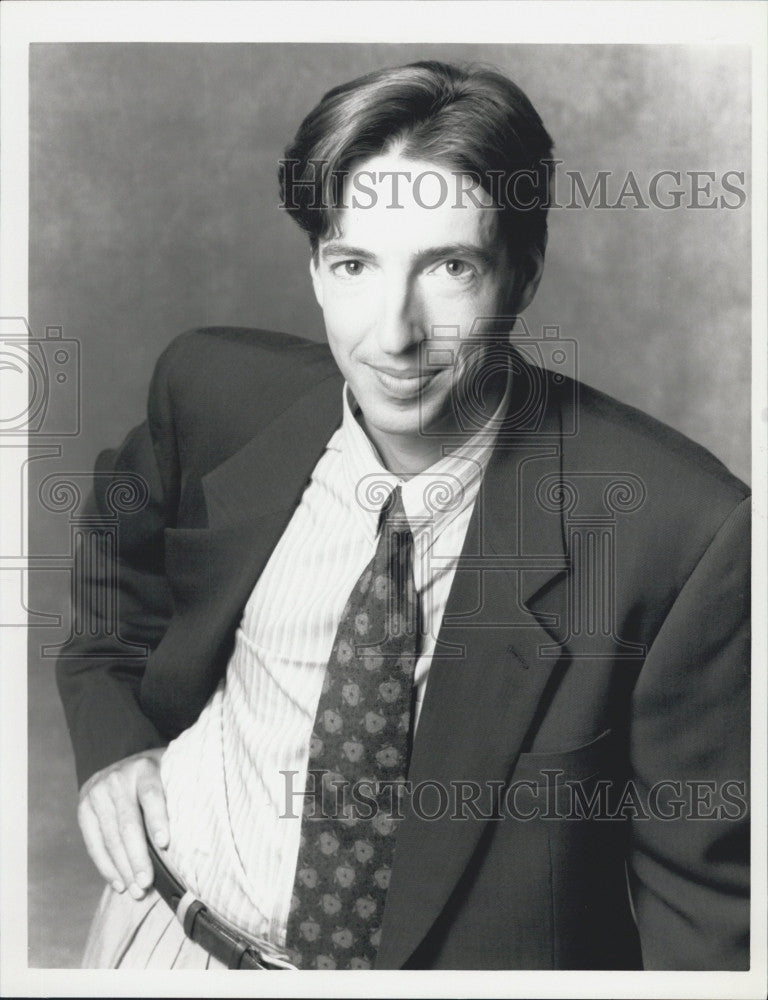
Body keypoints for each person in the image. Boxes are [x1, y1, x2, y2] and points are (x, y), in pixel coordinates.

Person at [57, 60, 750, 971]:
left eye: (450, 266)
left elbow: (708, 920)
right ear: (314, 270)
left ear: (523, 275)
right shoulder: (215, 392)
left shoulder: (682, 530)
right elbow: (116, 575)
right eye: (354, 264)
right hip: (163, 937)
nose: (395, 332)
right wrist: (116, 746)